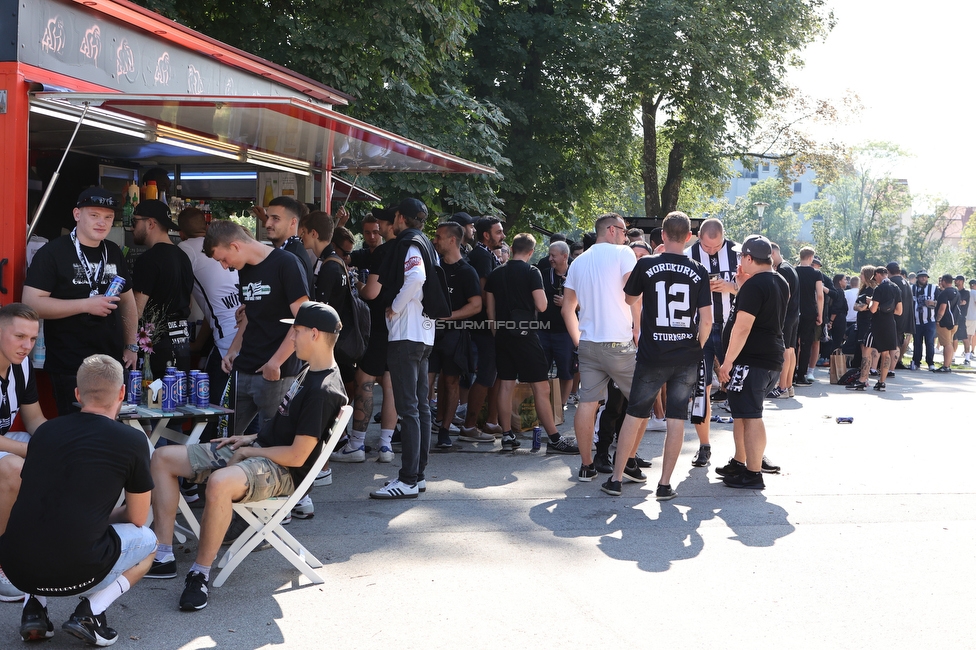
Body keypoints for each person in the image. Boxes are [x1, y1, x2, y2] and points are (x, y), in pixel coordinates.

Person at [149, 301, 347, 611]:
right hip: (264, 451)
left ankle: (199, 573)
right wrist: (249, 438)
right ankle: (163, 554)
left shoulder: (323, 389)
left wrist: (249, 451)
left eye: (295, 332)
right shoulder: (310, 371)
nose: (291, 339)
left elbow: (297, 455)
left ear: (314, 334)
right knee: (162, 458)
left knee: (219, 483)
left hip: (283, 471)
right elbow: (285, 429)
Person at [0, 355, 155, 645]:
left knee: (45, 522)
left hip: (14, 567)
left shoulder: (45, 433)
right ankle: (91, 613)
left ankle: (34, 608)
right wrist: (102, 518)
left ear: (77, 394)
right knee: (148, 543)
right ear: (121, 393)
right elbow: (136, 518)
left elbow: (38, 499)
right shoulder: (132, 441)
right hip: (77, 568)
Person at [602, 212, 711, 499]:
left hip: (652, 353)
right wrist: (696, 348)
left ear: (662, 235)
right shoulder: (699, 270)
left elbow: (629, 298)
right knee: (676, 419)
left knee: (635, 414)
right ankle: (664, 485)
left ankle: (615, 479)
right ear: (689, 237)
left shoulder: (647, 263)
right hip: (686, 353)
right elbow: (708, 320)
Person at [23, 187, 138, 415]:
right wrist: (86, 304)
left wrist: (131, 345)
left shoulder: (113, 251)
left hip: (111, 362)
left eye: (108, 217)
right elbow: (31, 304)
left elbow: (128, 302)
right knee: (77, 432)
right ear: (77, 214)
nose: (101, 223)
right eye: (94, 215)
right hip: (69, 363)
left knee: (110, 429)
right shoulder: (53, 252)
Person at [205, 220, 310, 434]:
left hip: (277, 371)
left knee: (271, 441)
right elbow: (250, 315)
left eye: (223, 259)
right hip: (244, 366)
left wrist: (275, 362)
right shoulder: (244, 268)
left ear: (235, 246)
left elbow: (304, 318)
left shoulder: (286, 263)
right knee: (224, 435)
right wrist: (234, 349)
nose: (225, 266)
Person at [561, 213, 639, 481]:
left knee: (587, 403)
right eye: (623, 230)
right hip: (619, 343)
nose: (626, 236)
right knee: (641, 402)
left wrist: (577, 339)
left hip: (589, 343)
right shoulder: (623, 253)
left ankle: (586, 465)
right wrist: (638, 329)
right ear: (610, 230)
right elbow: (634, 295)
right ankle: (628, 461)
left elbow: (567, 308)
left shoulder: (579, 261)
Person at [486, 233, 579, 454]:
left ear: (513, 248)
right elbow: (543, 305)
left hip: (502, 334)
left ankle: (507, 434)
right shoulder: (532, 272)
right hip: (526, 335)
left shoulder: (496, 273)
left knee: (506, 384)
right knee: (541, 386)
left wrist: (496, 331)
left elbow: (490, 311)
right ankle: (554, 438)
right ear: (530, 252)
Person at [369, 198, 437, 499]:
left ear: (400, 217)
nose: (387, 225)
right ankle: (417, 475)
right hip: (423, 334)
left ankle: (408, 479)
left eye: (390, 219)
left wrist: (394, 307)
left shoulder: (409, 242)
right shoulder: (425, 242)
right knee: (420, 407)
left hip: (406, 335)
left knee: (409, 408)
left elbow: (416, 278)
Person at [715, 236, 788, 490]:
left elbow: (743, 327)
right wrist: (742, 285)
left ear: (748, 258)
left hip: (753, 360)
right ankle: (741, 462)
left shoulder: (756, 285)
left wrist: (727, 362)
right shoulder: (778, 280)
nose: (738, 261)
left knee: (751, 415)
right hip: (766, 359)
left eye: (740, 257)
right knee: (743, 414)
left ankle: (754, 472)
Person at [0, 305, 48, 603]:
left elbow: (34, 419)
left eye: (32, 339)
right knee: (15, 467)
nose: (26, 346)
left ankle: (36, 547)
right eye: (19, 336)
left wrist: (55, 442)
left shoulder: (22, 364)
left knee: (57, 450)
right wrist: (33, 450)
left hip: (5, 440)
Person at [684, 218, 739, 467]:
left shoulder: (739, 253)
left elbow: (753, 287)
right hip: (700, 329)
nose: (711, 251)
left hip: (731, 327)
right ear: (698, 238)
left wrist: (730, 286)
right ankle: (704, 445)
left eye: (716, 247)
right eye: (707, 247)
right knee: (701, 388)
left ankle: (747, 450)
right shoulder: (689, 255)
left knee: (741, 387)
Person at [177, 207, 240, 421]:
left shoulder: (185, 249)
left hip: (227, 343)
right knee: (240, 407)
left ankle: (208, 446)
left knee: (211, 408)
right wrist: (196, 344)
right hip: (243, 334)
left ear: (181, 233)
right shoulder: (224, 249)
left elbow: (181, 300)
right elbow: (213, 309)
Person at [430, 221, 484, 448]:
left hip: (455, 336)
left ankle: (444, 430)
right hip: (429, 334)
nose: (435, 240)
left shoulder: (467, 271)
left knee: (451, 381)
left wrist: (448, 317)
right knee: (425, 381)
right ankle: (417, 426)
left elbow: (476, 305)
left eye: (439, 236)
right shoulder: (433, 268)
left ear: (453, 240)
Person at [131, 200, 194, 377]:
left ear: (151, 223)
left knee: (152, 402)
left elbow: (136, 310)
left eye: (134, 221)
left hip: (155, 347)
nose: (132, 228)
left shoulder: (148, 260)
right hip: (182, 343)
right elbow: (188, 303)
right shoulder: (183, 257)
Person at [460, 216, 507, 440]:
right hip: (484, 326)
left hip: (489, 324)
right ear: (486, 235)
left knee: (495, 372)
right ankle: (469, 426)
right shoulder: (481, 255)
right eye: (499, 232)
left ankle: (491, 422)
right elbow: (483, 292)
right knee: (486, 374)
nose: (503, 236)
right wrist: (493, 322)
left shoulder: (486, 254)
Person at [538, 241, 575, 410]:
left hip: (566, 331)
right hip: (543, 329)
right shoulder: (544, 274)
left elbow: (588, 302)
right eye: (549, 255)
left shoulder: (576, 273)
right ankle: (543, 403)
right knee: (540, 368)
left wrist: (568, 303)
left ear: (565, 256)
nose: (550, 258)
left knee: (566, 370)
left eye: (554, 255)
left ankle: (561, 404)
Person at [769, 242, 798, 399]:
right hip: (794, 315)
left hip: (787, 315)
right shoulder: (790, 267)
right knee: (791, 351)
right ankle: (788, 386)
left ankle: (782, 388)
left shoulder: (782, 270)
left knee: (786, 352)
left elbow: (784, 293)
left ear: (773, 253)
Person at [865, 266, 902, 392]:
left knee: (867, 350)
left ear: (878, 274)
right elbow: (899, 311)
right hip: (890, 323)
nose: (875, 279)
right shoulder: (896, 288)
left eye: (875, 277)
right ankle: (882, 382)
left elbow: (873, 309)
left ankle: (863, 380)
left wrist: (870, 302)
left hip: (878, 323)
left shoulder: (879, 288)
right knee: (886, 354)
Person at [264, 196, 313, 286]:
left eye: (275, 218)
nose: (267, 224)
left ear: (293, 222)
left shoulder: (293, 256)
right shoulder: (290, 251)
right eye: (267, 218)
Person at [794, 246, 823, 386]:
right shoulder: (816, 274)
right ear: (811, 257)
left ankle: (790, 373)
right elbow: (820, 295)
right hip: (809, 311)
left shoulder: (792, 271)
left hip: (794, 310)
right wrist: (820, 314)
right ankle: (801, 375)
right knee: (806, 344)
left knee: (792, 344)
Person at [911, 270, 937, 370]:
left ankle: (930, 362)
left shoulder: (933, 288)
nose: (923, 278)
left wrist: (933, 303)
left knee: (929, 342)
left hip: (930, 320)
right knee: (917, 342)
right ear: (917, 278)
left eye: (925, 277)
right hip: (916, 320)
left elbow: (939, 303)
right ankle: (916, 361)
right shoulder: (912, 288)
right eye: (921, 277)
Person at [934, 273, 960, 372]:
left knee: (946, 344)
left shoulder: (944, 293)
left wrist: (938, 320)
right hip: (955, 322)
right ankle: (947, 365)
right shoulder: (956, 292)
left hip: (945, 323)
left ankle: (945, 366)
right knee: (949, 343)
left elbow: (942, 308)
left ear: (944, 281)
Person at [953, 275, 970, 365]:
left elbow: (962, 302)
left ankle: (967, 357)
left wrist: (954, 302)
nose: (955, 282)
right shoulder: (954, 291)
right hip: (954, 317)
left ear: (961, 281)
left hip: (961, 317)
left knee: (964, 337)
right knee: (953, 337)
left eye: (957, 280)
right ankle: (952, 357)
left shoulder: (966, 292)